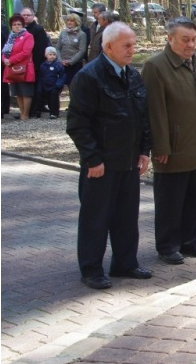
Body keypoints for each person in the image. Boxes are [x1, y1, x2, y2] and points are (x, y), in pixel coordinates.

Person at [65, 22, 153, 290]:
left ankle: (125, 263)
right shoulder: (89, 77)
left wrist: (143, 151)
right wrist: (92, 159)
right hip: (101, 164)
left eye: (133, 44)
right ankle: (91, 269)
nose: (132, 50)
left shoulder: (132, 75)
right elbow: (78, 123)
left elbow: (143, 117)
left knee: (126, 217)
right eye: (127, 45)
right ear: (108, 46)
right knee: (96, 218)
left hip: (128, 161)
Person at [142, 17, 196, 265]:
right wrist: (160, 146)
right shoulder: (155, 66)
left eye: (194, 39)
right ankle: (167, 245)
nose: (191, 45)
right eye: (185, 40)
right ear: (170, 39)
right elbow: (154, 111)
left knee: (194, 198)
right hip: (174, 148)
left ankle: (190, 241)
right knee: (170, 200)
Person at [2, 13, 37, 120]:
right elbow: (4, 51)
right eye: (14, 24)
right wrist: (4, 59)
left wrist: (11, 60)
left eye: (19, 24)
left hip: (24, 67)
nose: (17, 26)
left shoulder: (28, 36)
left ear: (22, 25)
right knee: (17, 92)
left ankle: (25, 114)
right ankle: (21, 112)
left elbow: (26, 52)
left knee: (25, 92)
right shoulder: (10, 37)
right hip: (11, 68)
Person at [21, 7, 51, 118]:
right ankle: (25, 110)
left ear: (33, 16)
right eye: (23, 15)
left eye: (27, 15)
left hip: (35, 64)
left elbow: (40, 48)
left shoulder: (38, 29)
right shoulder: (20, 29)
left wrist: (36, 64)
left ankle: (35, 110)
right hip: (23, 64)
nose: (25, 17)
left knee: (36, 89)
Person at [57, 14, 89, 91]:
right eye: (68, 20)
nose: (69, 22)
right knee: (57, 88)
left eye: (72, 21)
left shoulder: (82, 34)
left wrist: (70, 61)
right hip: (62, 64)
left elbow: (82, 51)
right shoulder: (63, 33)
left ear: (76, 22)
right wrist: (60, 60)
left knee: (74, 88)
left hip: (75, 65)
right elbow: (58, 48)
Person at [39, 46, 66, 119]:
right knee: (48, 99)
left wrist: (59, 84)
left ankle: (54, 113)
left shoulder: (58, 65)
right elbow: (41, 76)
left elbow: (62, 75)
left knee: (54, 99)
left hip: (55, 86)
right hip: (46, 85)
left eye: (54, 54)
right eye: (50, 54)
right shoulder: (43, 65)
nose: (52, 56)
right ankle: (51, 110)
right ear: (46, 55)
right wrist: (41, 85)